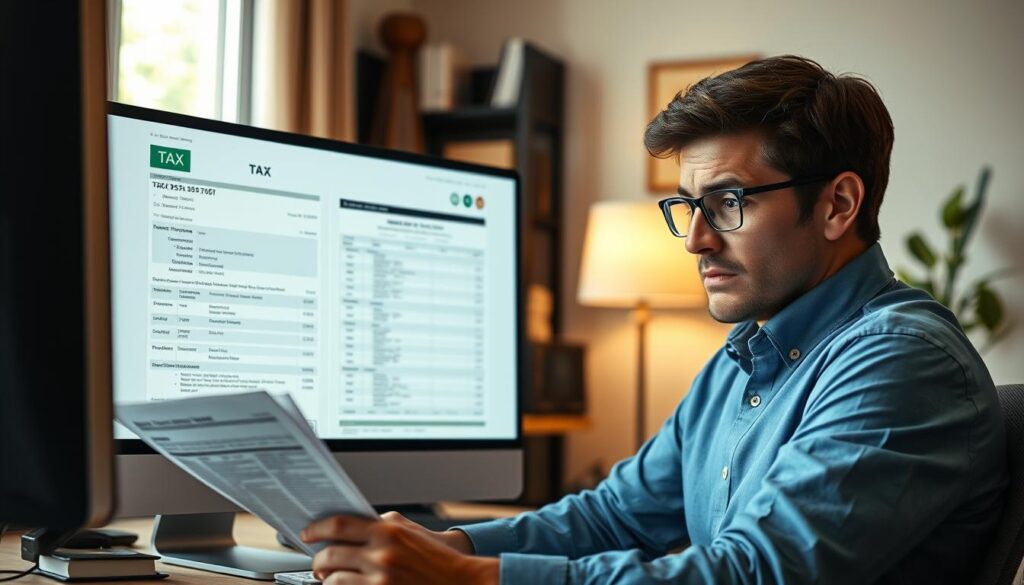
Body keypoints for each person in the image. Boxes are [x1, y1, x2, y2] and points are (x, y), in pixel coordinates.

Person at [299, 55, 1008, 584]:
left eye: (729, 201)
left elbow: (755, 574)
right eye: (689, 206)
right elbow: (614, 515)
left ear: (838, 205)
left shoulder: (899, 360)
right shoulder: (745, 358)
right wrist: (456, 547)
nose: (697, 239)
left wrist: (475, 579)